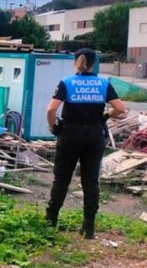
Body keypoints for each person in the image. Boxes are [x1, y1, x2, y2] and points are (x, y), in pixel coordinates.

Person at [45, 48, 127, 238]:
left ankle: (51, 220)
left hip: (70, 134)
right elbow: (121, 109)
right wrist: (105, 115)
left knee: (62, 179)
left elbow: (51, 110)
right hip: (94, 134)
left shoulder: (67, 82)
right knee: (90, 182)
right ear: (94, 63)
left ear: (76, 62)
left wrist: (53, 128)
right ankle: (88, 227)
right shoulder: (103, 83)